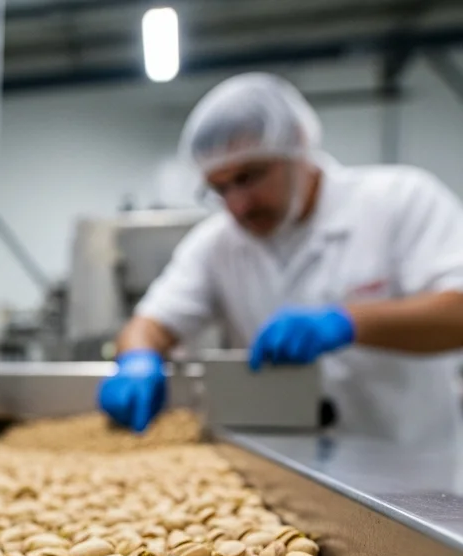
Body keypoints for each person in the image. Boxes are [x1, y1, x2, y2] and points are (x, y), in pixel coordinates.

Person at [99, 73, 463, 446]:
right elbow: (150, 323)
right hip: (284, 470)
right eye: (220, 188)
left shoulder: (400, 201)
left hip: (411, 464)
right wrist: (138, 359)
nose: (238, 204)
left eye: (249, 176)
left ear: (299, 147)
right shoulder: (215, 244)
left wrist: (347, 322)